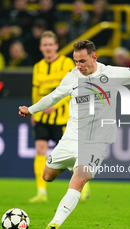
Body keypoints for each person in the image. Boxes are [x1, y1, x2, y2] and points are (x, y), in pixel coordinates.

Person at [19, 40, 130, 229]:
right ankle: (73, 166)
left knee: (78, 180)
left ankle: (54, 223)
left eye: (82, 61)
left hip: (97, 140)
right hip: (71, 137)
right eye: (76, 61)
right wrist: (31, 110)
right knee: (47, 176)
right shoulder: (72, 77)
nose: (79, 66)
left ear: (94, 57)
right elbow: (53, 97)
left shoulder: (111, 74)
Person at [29, 30, 83, 203]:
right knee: (40, 150)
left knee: (72, 154)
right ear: (40, 47)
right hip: (42, 119)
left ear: (56, 46)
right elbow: (36, 90)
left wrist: (55, 105)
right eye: (45, 45)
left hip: (62, 118)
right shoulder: (38, 67)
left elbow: (72, 89)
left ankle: (83, 184)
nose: (48, 48)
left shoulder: (67, 63)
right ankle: (41, 192)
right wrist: (34, 110)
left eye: (51, 44)